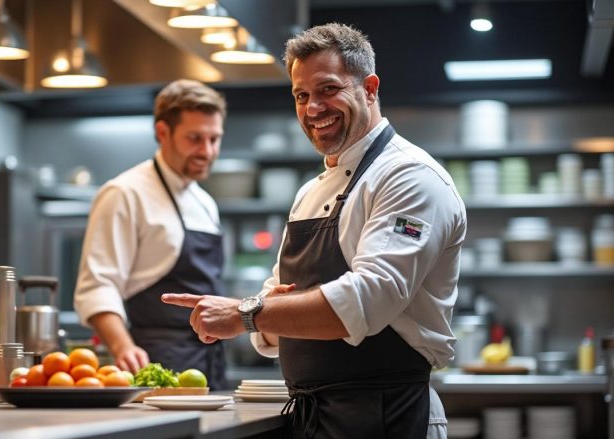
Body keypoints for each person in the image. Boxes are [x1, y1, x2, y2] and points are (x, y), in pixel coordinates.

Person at [162, 23, 466, 438]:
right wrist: (261, 314)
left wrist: (245, 313)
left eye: (328, 89)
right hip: (315, 419)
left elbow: (367, 298)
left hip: (389, 416)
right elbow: (273, 302)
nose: (312, 108)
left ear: (370, 88)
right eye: (301, 96)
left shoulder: (410, 177)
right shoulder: (310, 192)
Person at [74, 79, 229, 389]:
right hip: (152, 363)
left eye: (214, 139)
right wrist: (122, 347)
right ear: (162, 132)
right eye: (195, 139)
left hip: (209, 362)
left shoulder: (205, 203)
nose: (207, 151)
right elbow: (97, 286)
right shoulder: (124, 193)